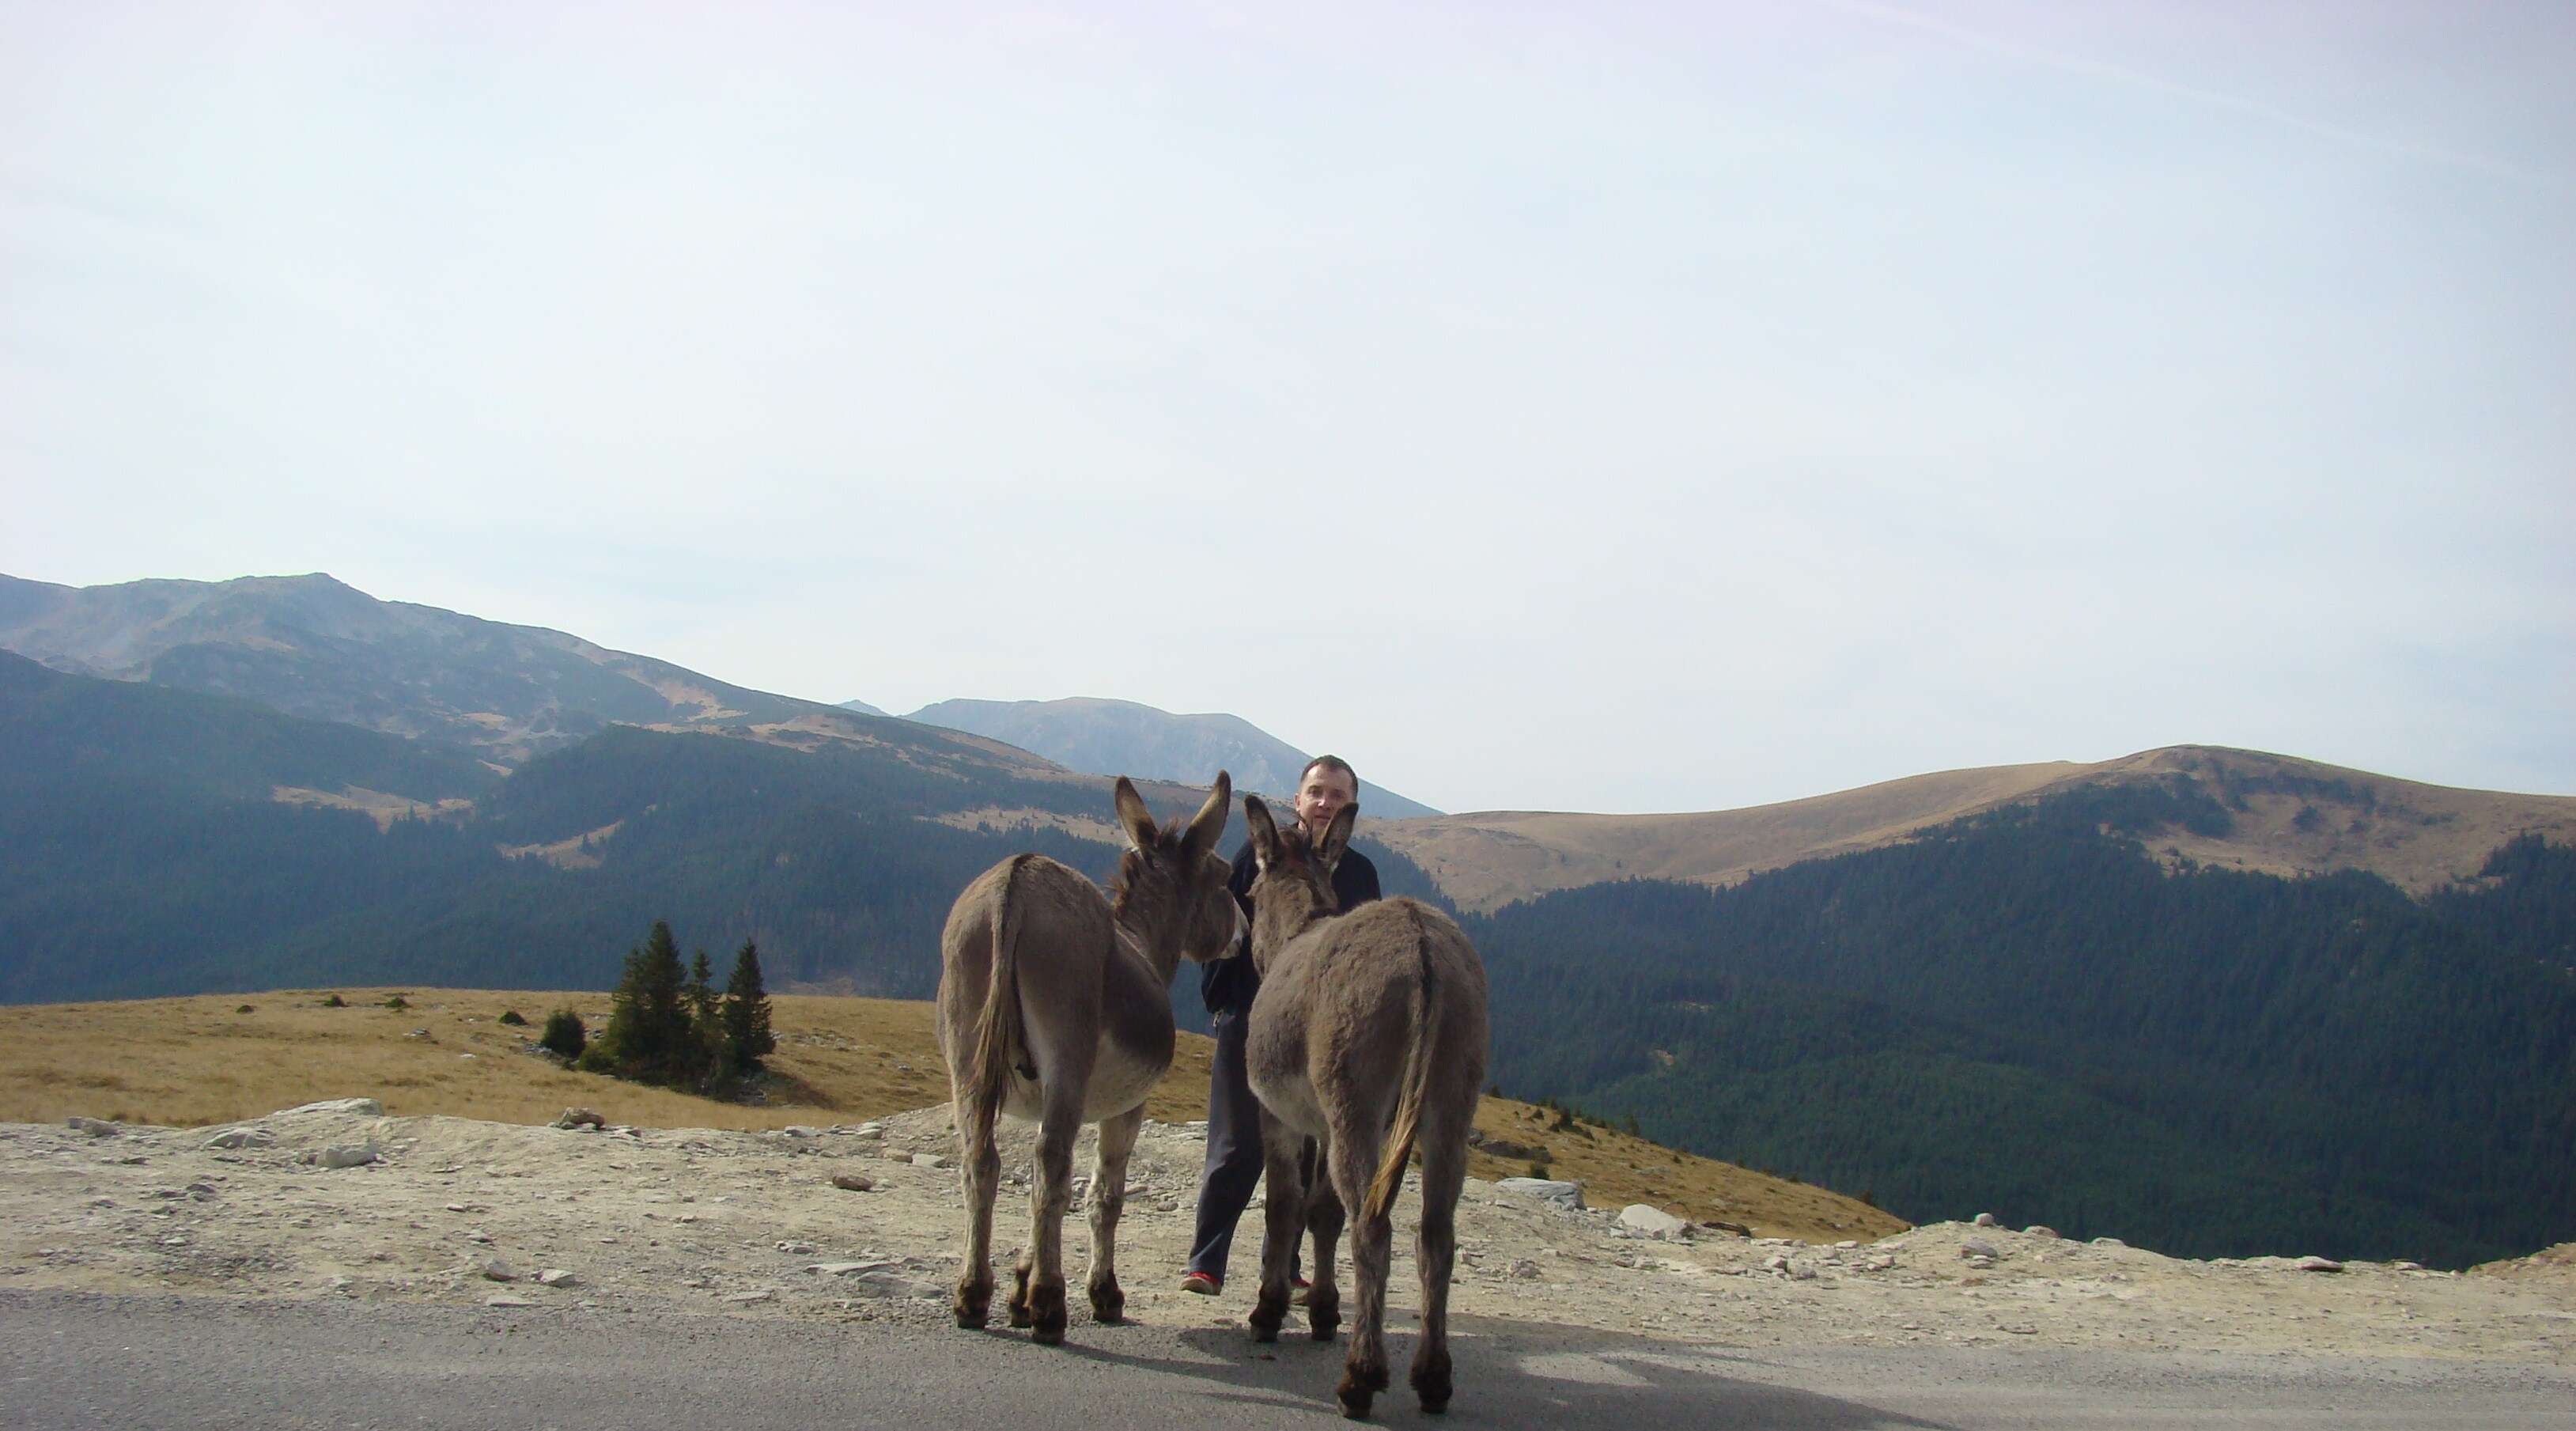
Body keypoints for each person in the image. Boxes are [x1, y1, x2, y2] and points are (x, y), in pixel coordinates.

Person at [1180, 755, 1380, 1297]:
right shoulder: (1259, 855)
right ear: (1297, 800)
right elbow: (1227, 934)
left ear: (1348, 809)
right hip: (1248, 1016)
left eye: (1336, 795)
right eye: (1315, 791)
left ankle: (1287, 1267)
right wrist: (1224, 1006)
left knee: (1307, 1151)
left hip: (1320, 1031)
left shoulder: (1359, 873)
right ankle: (1206, 1261)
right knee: (1238, 1142)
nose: (1323, 802)